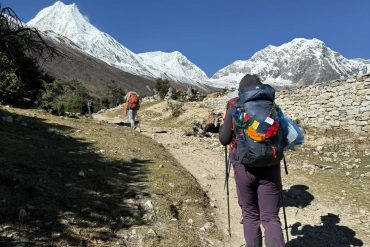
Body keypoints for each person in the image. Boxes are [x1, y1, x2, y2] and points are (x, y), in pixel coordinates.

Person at [219, 74, 285, 247]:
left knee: (250, 214)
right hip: (271, 166)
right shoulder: (271, 106)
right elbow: (284, 135)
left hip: (244, 167)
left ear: (241, 90)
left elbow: (224, 139)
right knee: (271, 217)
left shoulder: (235, 105)